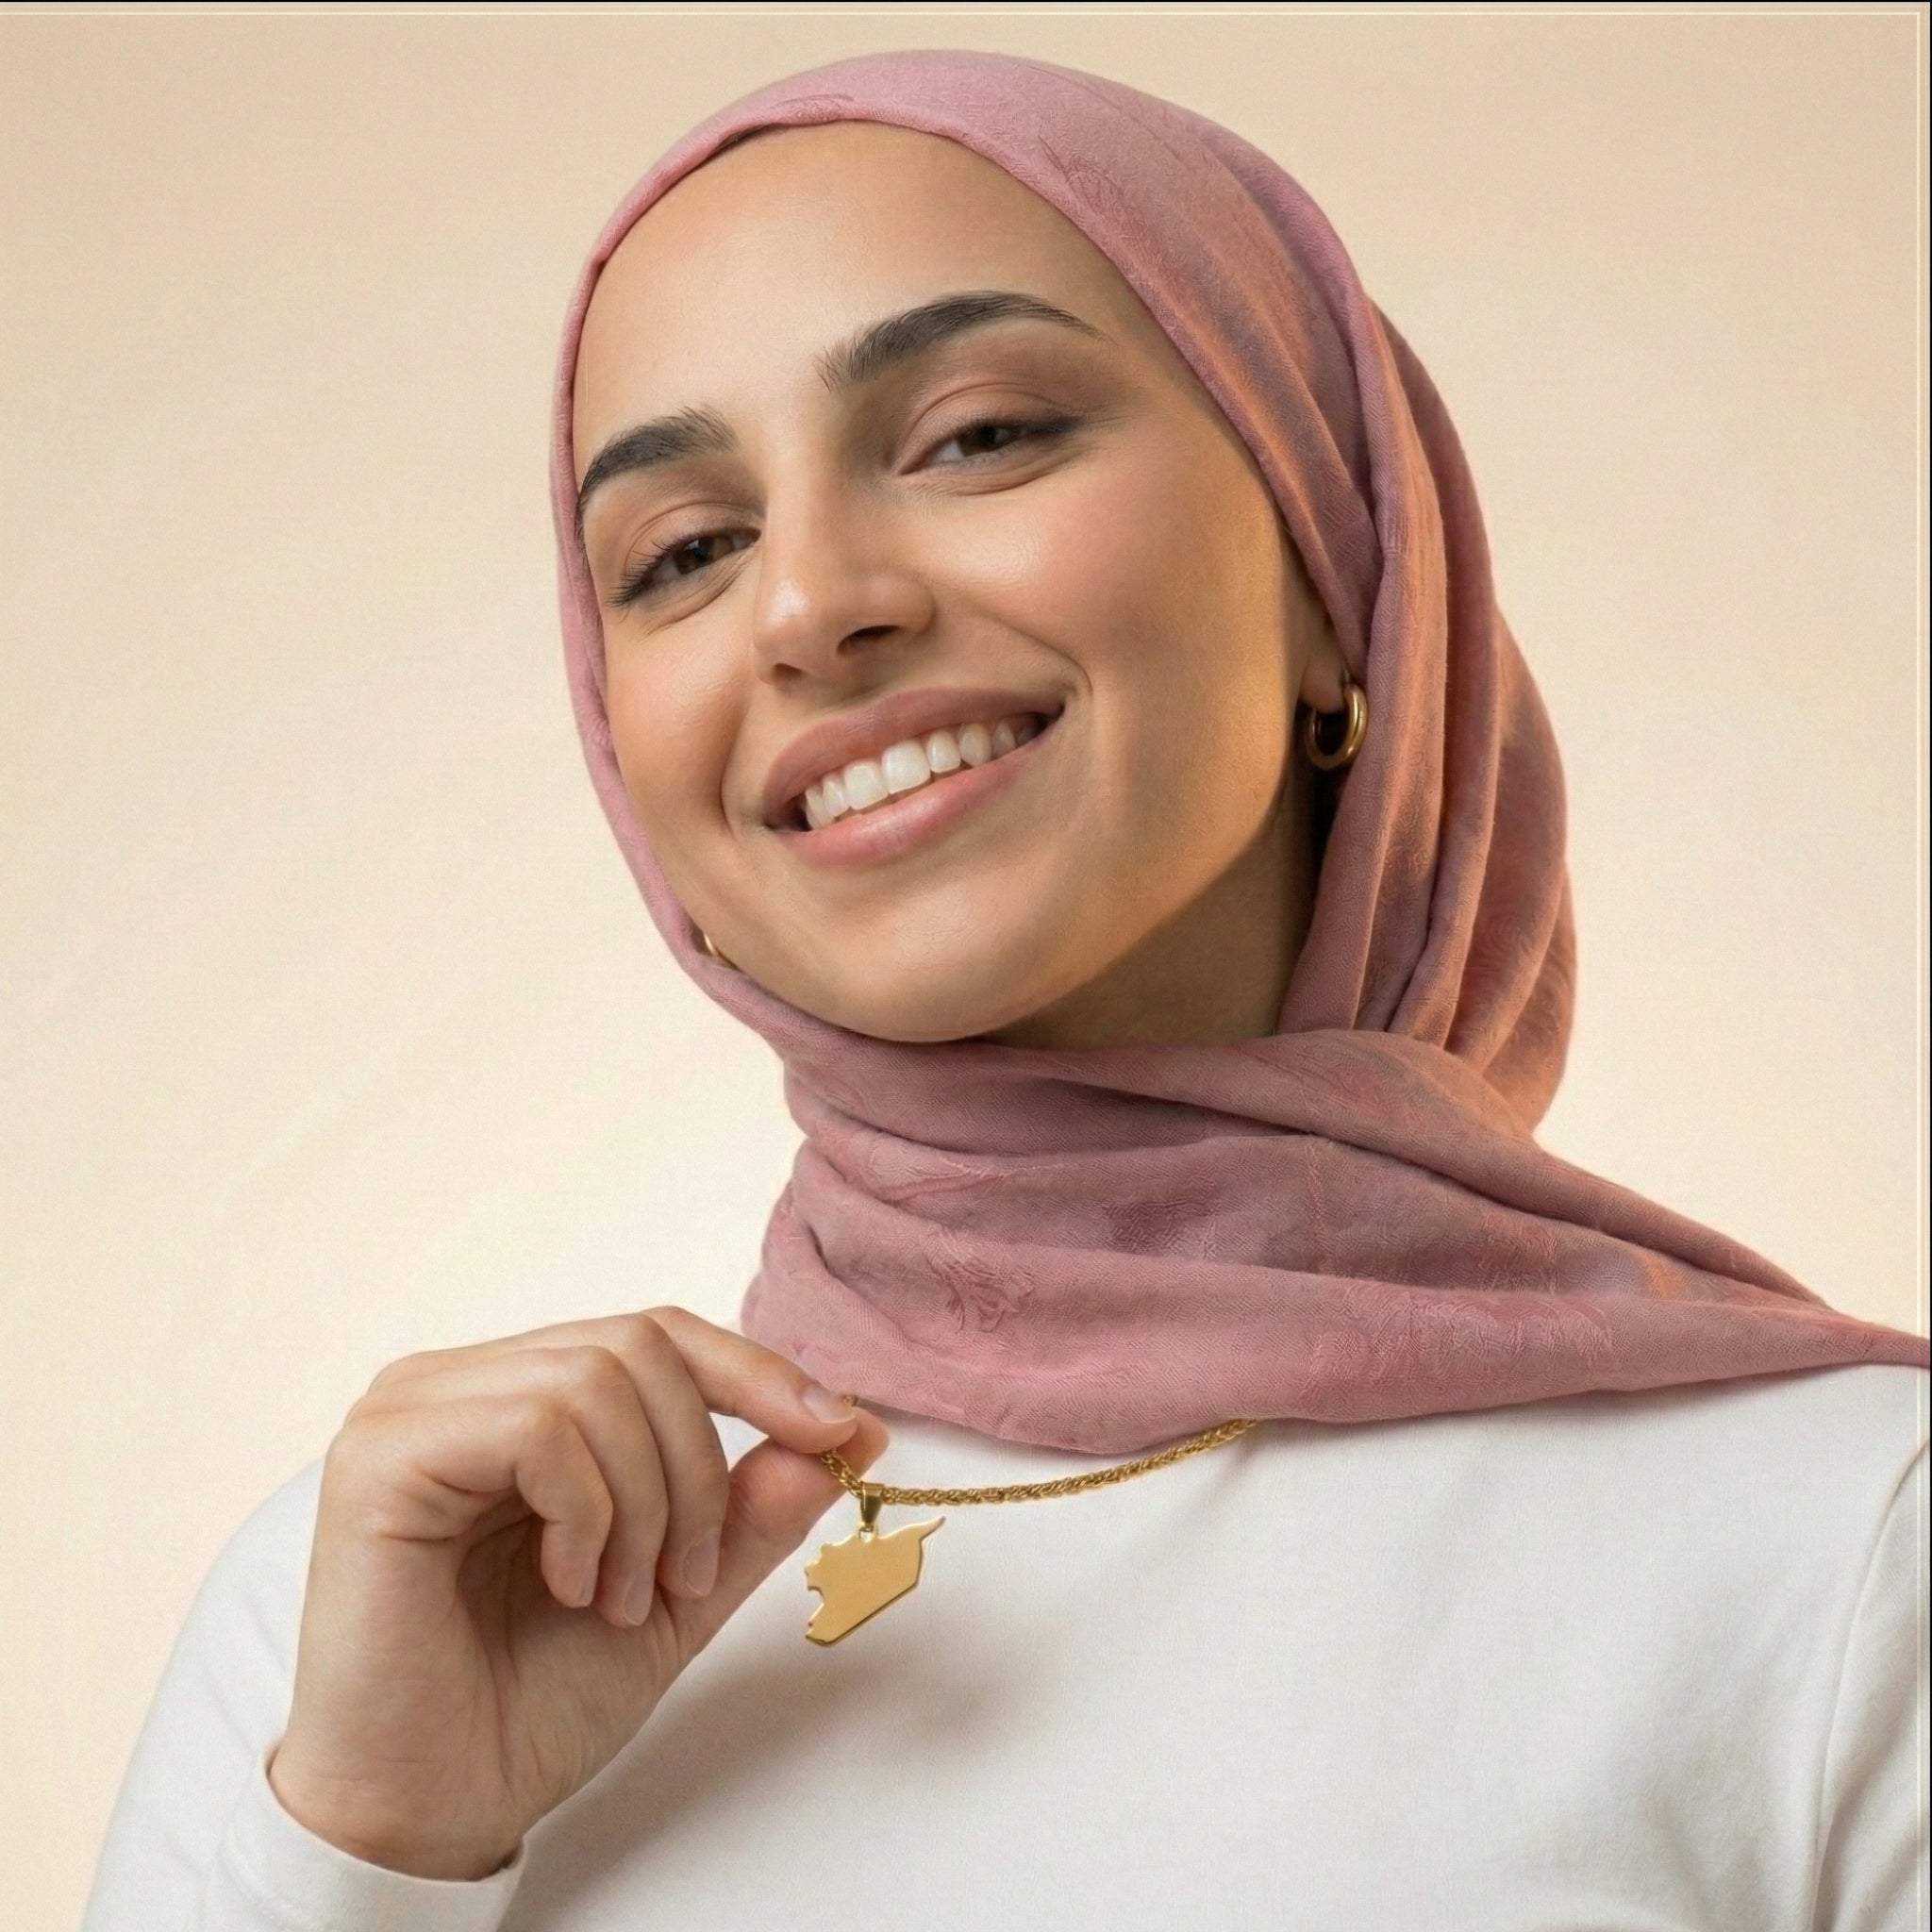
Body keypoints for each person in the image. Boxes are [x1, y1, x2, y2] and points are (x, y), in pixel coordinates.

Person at [84, 48, 1927, 1932]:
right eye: (683, 551)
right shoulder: (398, 1603)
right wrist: (363, 1859)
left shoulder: (1849, 1553)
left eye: (977, 435)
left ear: (1336, 563)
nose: (808, 605)